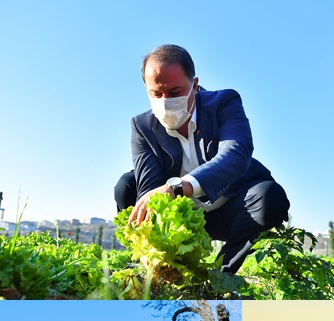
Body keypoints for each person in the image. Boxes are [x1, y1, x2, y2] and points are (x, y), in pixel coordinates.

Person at [114, 45, 290, 274]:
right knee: (127, 186)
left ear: (195, 86)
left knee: (269, 197)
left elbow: (236, 153)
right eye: (156, 94)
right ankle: (157, 268)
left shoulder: (223, 103)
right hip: (181, 220)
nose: (165, 103)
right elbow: (148, 188)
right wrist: (152, 246)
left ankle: (220, 275)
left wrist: (177, 187)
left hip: (231, 210)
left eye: (175, 92)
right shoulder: (142, 126)